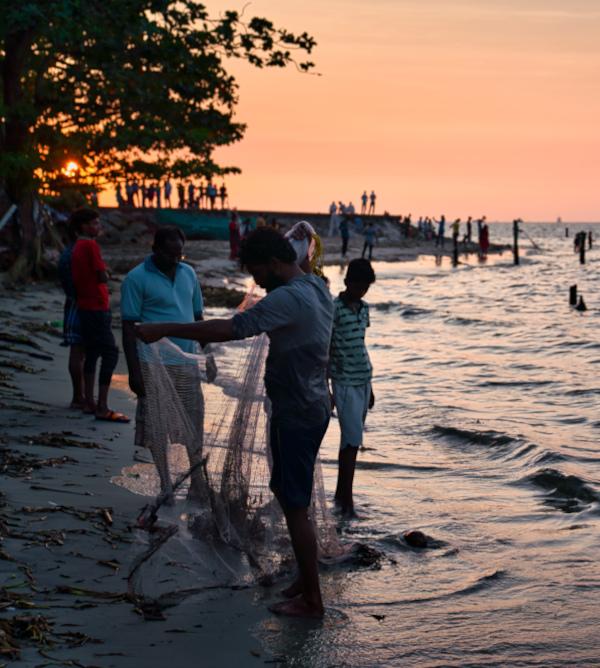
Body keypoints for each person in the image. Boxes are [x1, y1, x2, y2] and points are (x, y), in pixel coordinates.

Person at [135, 228, 333, 619]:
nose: (255, 280)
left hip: (295, 413)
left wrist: (164, 329)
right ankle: (304, 581)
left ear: (276, 264)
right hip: (314, 406)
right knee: (295, 497)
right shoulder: (315, 286)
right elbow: (303, 250)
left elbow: (230, 328)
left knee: (295, 505)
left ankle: (312, 600)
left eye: (257, 271)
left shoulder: (288, 297)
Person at [121, 226, 216, 496]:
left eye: (179, 255)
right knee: (157, 425)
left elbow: (198, 319)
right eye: (169, 255)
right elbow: (129, 328)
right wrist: (134, 372)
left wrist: (208, 356)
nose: (175, 260)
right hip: (152, 363)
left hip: (186, 361)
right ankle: (165, 483)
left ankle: (198, 481)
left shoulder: (188, 274)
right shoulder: (136, 279)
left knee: (194, 421)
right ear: (155, 250)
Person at [70, 208, 129, 422]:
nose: (99, 227)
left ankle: (88, 401)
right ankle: (101, 406)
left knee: (93, 352)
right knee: (110, 353)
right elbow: (101, 276)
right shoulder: (90, 246)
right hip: (95, 307)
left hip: (86, 305)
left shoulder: (78, 246)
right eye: (95, 223)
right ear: (84, 226)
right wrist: (106, 274)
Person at [329, 259, 376, 516]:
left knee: (352, 442)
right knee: (351, 441)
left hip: (363, 379)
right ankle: (347, 502)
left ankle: (341, 495)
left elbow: (361, 345)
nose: (362, 291)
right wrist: (327, 388)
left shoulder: (365, 309)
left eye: (366, 287)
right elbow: (327, 347)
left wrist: (371, 387)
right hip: (344, 381)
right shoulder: (334, 309)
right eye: (358, 285)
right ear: (347, 282)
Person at [58, 222, 85, 409]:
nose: (98, 226)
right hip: (81, 304)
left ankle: (80, 395)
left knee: (79, 351)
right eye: (93, 223)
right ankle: (78, 396)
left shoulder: (69, 251)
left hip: (75, 302)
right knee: (78, 350)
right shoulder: (77, 252)